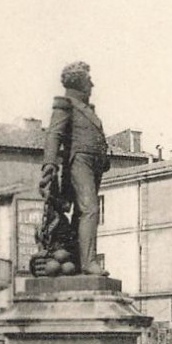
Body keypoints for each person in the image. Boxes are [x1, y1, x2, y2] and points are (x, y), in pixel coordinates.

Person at [40, 61, 111, 276]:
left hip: (93, 164)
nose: (92, 84)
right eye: (89, 80)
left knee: (82, 213)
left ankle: (80, 262)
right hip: (78, 161)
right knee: (90, 209)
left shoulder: (87, 109)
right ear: (79, 82)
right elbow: (54, 134)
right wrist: (50, 163)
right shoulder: (66, 104)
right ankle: (89, 262)